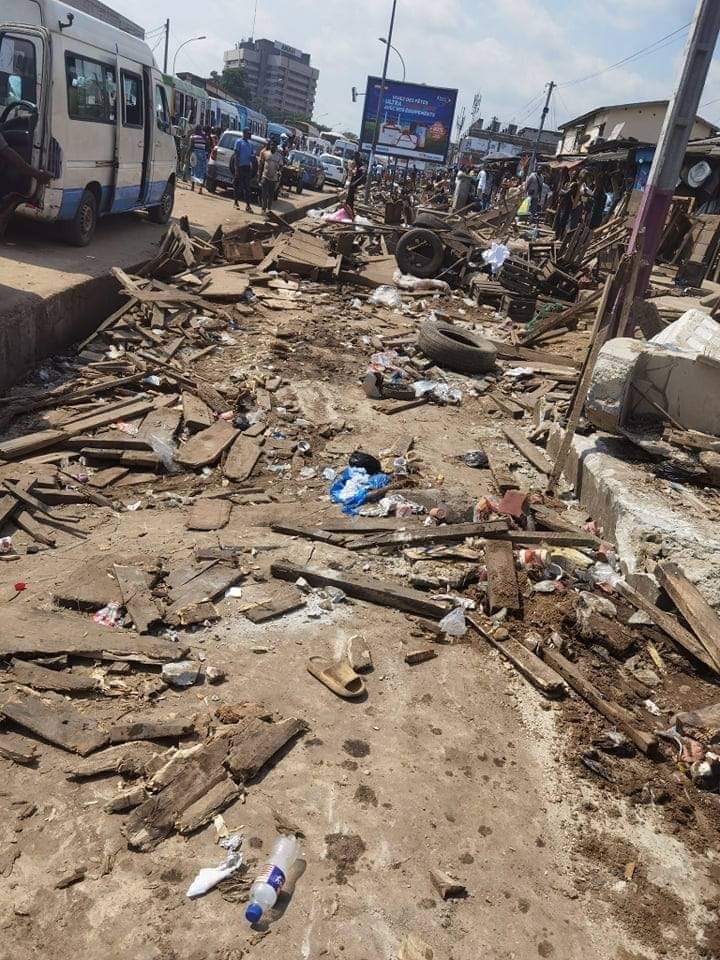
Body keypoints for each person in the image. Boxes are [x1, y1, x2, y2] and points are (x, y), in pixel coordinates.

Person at [257, 141, 283, 215]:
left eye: (274, 146)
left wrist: (279, 172)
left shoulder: (279, 156)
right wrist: (259, 177)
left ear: (276, 147)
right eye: (271, 145)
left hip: (274, 179)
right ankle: (263, 209)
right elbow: (261, 165)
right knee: (264, 194)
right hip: (265, 177)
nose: (272, 147)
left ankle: (269, 210)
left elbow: (281, 167)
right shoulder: (265, 153)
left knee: (271, 196)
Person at [232, 128, 255, 213]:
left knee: (247, 188)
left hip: (247, 167)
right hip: (240, 167)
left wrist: (252, 165)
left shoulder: (250, 144)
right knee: (238, 186)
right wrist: (236, 168)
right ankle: (236, 202)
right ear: (244, 133)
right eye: (248, 133)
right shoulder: (239, 142)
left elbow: (252, 156)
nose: (250, 135)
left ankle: (248, 206)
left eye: (250, 133)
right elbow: (236, 156)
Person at [188, 125, 210, 194]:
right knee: (201, 171)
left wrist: (187, 154)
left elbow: (191, 147)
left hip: (195, 155)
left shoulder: (193, 137)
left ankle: (192, 187)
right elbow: (207, 147)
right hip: (202, 155)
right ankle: (200, 189)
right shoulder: (205, 138)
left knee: (194, 169)